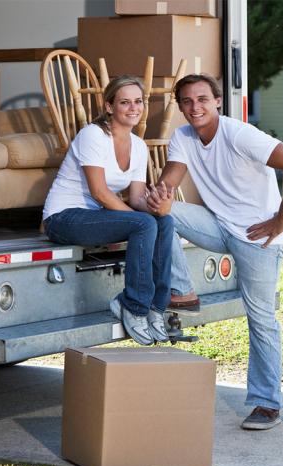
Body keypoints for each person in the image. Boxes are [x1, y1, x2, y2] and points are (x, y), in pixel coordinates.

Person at [147, 74, 283, 430]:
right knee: (160, 213)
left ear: (218, 101)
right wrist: (158, 195)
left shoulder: (239, 134)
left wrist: (281, 219)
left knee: (261, 319)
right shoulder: (183, 137)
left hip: (257, 237)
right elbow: (171, 178)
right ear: (180, 106)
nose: (195, 107)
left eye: (203, 99)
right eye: (187, 101)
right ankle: (182, 291)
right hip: (219, 226)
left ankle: (266, 404)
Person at [42, 75, 176, 346]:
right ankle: (133, 306)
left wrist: (155, 206)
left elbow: (137, 197)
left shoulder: (138, 146)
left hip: (96, 217)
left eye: (138, 102)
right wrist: (141, 220)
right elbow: (100, 193)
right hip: (64, 217)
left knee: (165, 222)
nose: (133, 108)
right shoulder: (93, 135)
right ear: (109, 106)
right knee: (144, 224)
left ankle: (156, 308)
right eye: (124, 102)